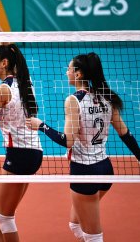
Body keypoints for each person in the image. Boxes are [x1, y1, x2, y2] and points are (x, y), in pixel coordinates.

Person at [26, 52, 140, 242]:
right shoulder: (107, 97)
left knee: (94, 236)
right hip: (105, 169)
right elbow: (125, 134)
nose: (66, 72)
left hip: (84, 171)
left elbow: (67, 141)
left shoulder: (74, 101)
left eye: (69, 69)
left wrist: (41, 126)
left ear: (78, 74)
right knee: (75, 224)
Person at [0, 44, 43, 242]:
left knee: (4, 217)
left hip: (18, 155)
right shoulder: (24, 80)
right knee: (6, 214)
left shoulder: (2, 91)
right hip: (34, 152)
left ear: (4, 63)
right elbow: (17, 55)